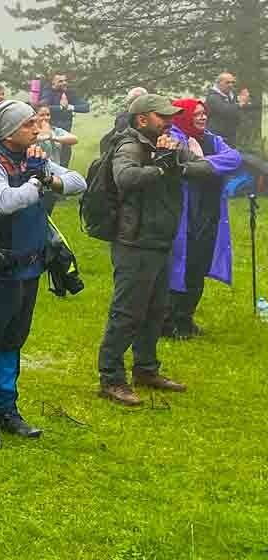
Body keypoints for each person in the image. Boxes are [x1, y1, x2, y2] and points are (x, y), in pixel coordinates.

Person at [0, 101, 86, 446]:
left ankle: (5, 410)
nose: (37, 127)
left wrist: (49, 178)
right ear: (9, 130)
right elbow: (3, 200)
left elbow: (79, 181)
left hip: (30, 265)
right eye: (29, 123)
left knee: (13, 340)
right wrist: (35, 181)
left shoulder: (33, 156)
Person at [97, 94, 214, 407]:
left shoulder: (168, 145)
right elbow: (125, 178)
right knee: (127, 313)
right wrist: (159, 169)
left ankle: (146, 370)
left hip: (160, 240)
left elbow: (204, 168)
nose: (169, 121)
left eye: (170, 115)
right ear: (142, 119)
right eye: (162, 116)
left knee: (155, 309)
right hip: (134, 242)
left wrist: (176, 166)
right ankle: (111, 378)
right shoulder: (129, 146)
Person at [162, 99, 242, 340]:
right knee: (179, 267)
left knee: (199, 265)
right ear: (183, 116)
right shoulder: (172, 137)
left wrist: (203, 162)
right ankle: (168, 322)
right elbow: (181, 165)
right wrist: (206, 164)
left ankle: (186, 318)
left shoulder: (210, 138)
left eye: (204, 113)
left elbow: (234, 158)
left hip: (208, 213)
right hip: (183, 214)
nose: (202, 117)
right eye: (196, 114)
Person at [39, 74, 89, 166]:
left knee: (64, 165)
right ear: (53, 83)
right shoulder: (48, 92)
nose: (64, 83)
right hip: (50, 136)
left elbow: (86, 107)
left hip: (66, 136)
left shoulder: (70, 92)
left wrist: (70, 107)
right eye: (60, 81)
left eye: (65, 80)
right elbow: (42, 107)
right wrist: (61, 108)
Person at [206, 73, 248, 147]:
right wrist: (240, 104)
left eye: (232, 82)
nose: (230, 85)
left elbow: (237, 114)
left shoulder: (230, 97)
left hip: (230, 138)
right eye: (227, 82)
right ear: (219, 83)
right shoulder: (213, 97)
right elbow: (225, 111)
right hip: (217, 138)